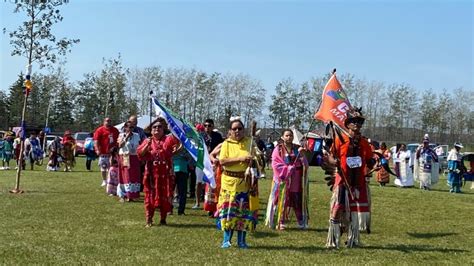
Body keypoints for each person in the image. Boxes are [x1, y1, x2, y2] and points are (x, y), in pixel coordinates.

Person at [323, 107, 374, 248]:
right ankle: (333, 240)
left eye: (359, 122)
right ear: (348, 124)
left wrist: (372, 164)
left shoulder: (364, 143)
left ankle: (353, 240)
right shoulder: (341, 140)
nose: (357, 124)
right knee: (338, 208)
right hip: (342, 180)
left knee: (355, 211)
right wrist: (335, 162)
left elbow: (370, 159)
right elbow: (331, 157)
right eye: (354, 121)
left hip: (358, 182)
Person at [216, 117, 258, 249]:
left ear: (244, 130)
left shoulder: (250, 142)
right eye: (234, 129)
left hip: (245, 183)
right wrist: (240, 158)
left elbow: (259, 160)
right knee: (229, 213)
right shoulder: (226, 144)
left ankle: (241, 241)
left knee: (243, 214)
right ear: (230, 131)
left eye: (240, 128)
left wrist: (254, 160)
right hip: (229, 183)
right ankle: (226, 240)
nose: (237, 131)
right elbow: (222, 161)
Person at [137, 117, 180, 227]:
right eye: (154, 127)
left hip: (165, 174)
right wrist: (147, 146)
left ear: (163, 129)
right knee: (150, 196)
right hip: (151, 173)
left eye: (159, 127)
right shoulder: (147, 141)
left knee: (165, 196)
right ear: (151, 130)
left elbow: (179, 142)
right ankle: (149, 219)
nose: (157, 129)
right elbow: (140, 154)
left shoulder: (168, 139)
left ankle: (163, 219)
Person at [265, 129, 308, 230]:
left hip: (295, 179)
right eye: (287, 135)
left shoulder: (298, 149)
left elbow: (305, 165)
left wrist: (302, 155)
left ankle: (301, 221)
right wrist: (288, 169)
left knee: (297, 199)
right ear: (283, 137)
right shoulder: (278, 149)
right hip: (282, 180)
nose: (289, 137)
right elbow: (275, 164)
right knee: (282, 199)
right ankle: (280, 221)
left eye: (291, 136)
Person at [117, 121, 141, 202]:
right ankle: (124, 194)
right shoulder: (121, 135)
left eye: (132, 127)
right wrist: (126, 137)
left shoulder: (136, 135)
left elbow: (139, 145)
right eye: (129, 127)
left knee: (134, 176)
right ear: (125, 127)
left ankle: (133, 195)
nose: (131, 129)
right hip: (125, 157)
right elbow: (120, 145)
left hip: (134, 157)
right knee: (126, 175)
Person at [93, 117, 120, 187]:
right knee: (103, 167)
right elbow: (96, 141)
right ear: (104, 122)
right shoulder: (99, 130)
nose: (108, 122)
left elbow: (119, 140)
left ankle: (110, 180)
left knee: (111, 168)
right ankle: (104, 180)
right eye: (107, 121)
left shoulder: (115, 130)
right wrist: (97, 149)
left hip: (113, 153)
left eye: (110, 121)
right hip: (103, 152)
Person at [172, 146, 189, 215]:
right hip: (172, 169)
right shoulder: (170, 139)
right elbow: (168, 153)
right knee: (170, 191)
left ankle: (181, 210)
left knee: (182, 192)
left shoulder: (186, 142)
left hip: (183, 169)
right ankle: (169, 209)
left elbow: (189, 156)